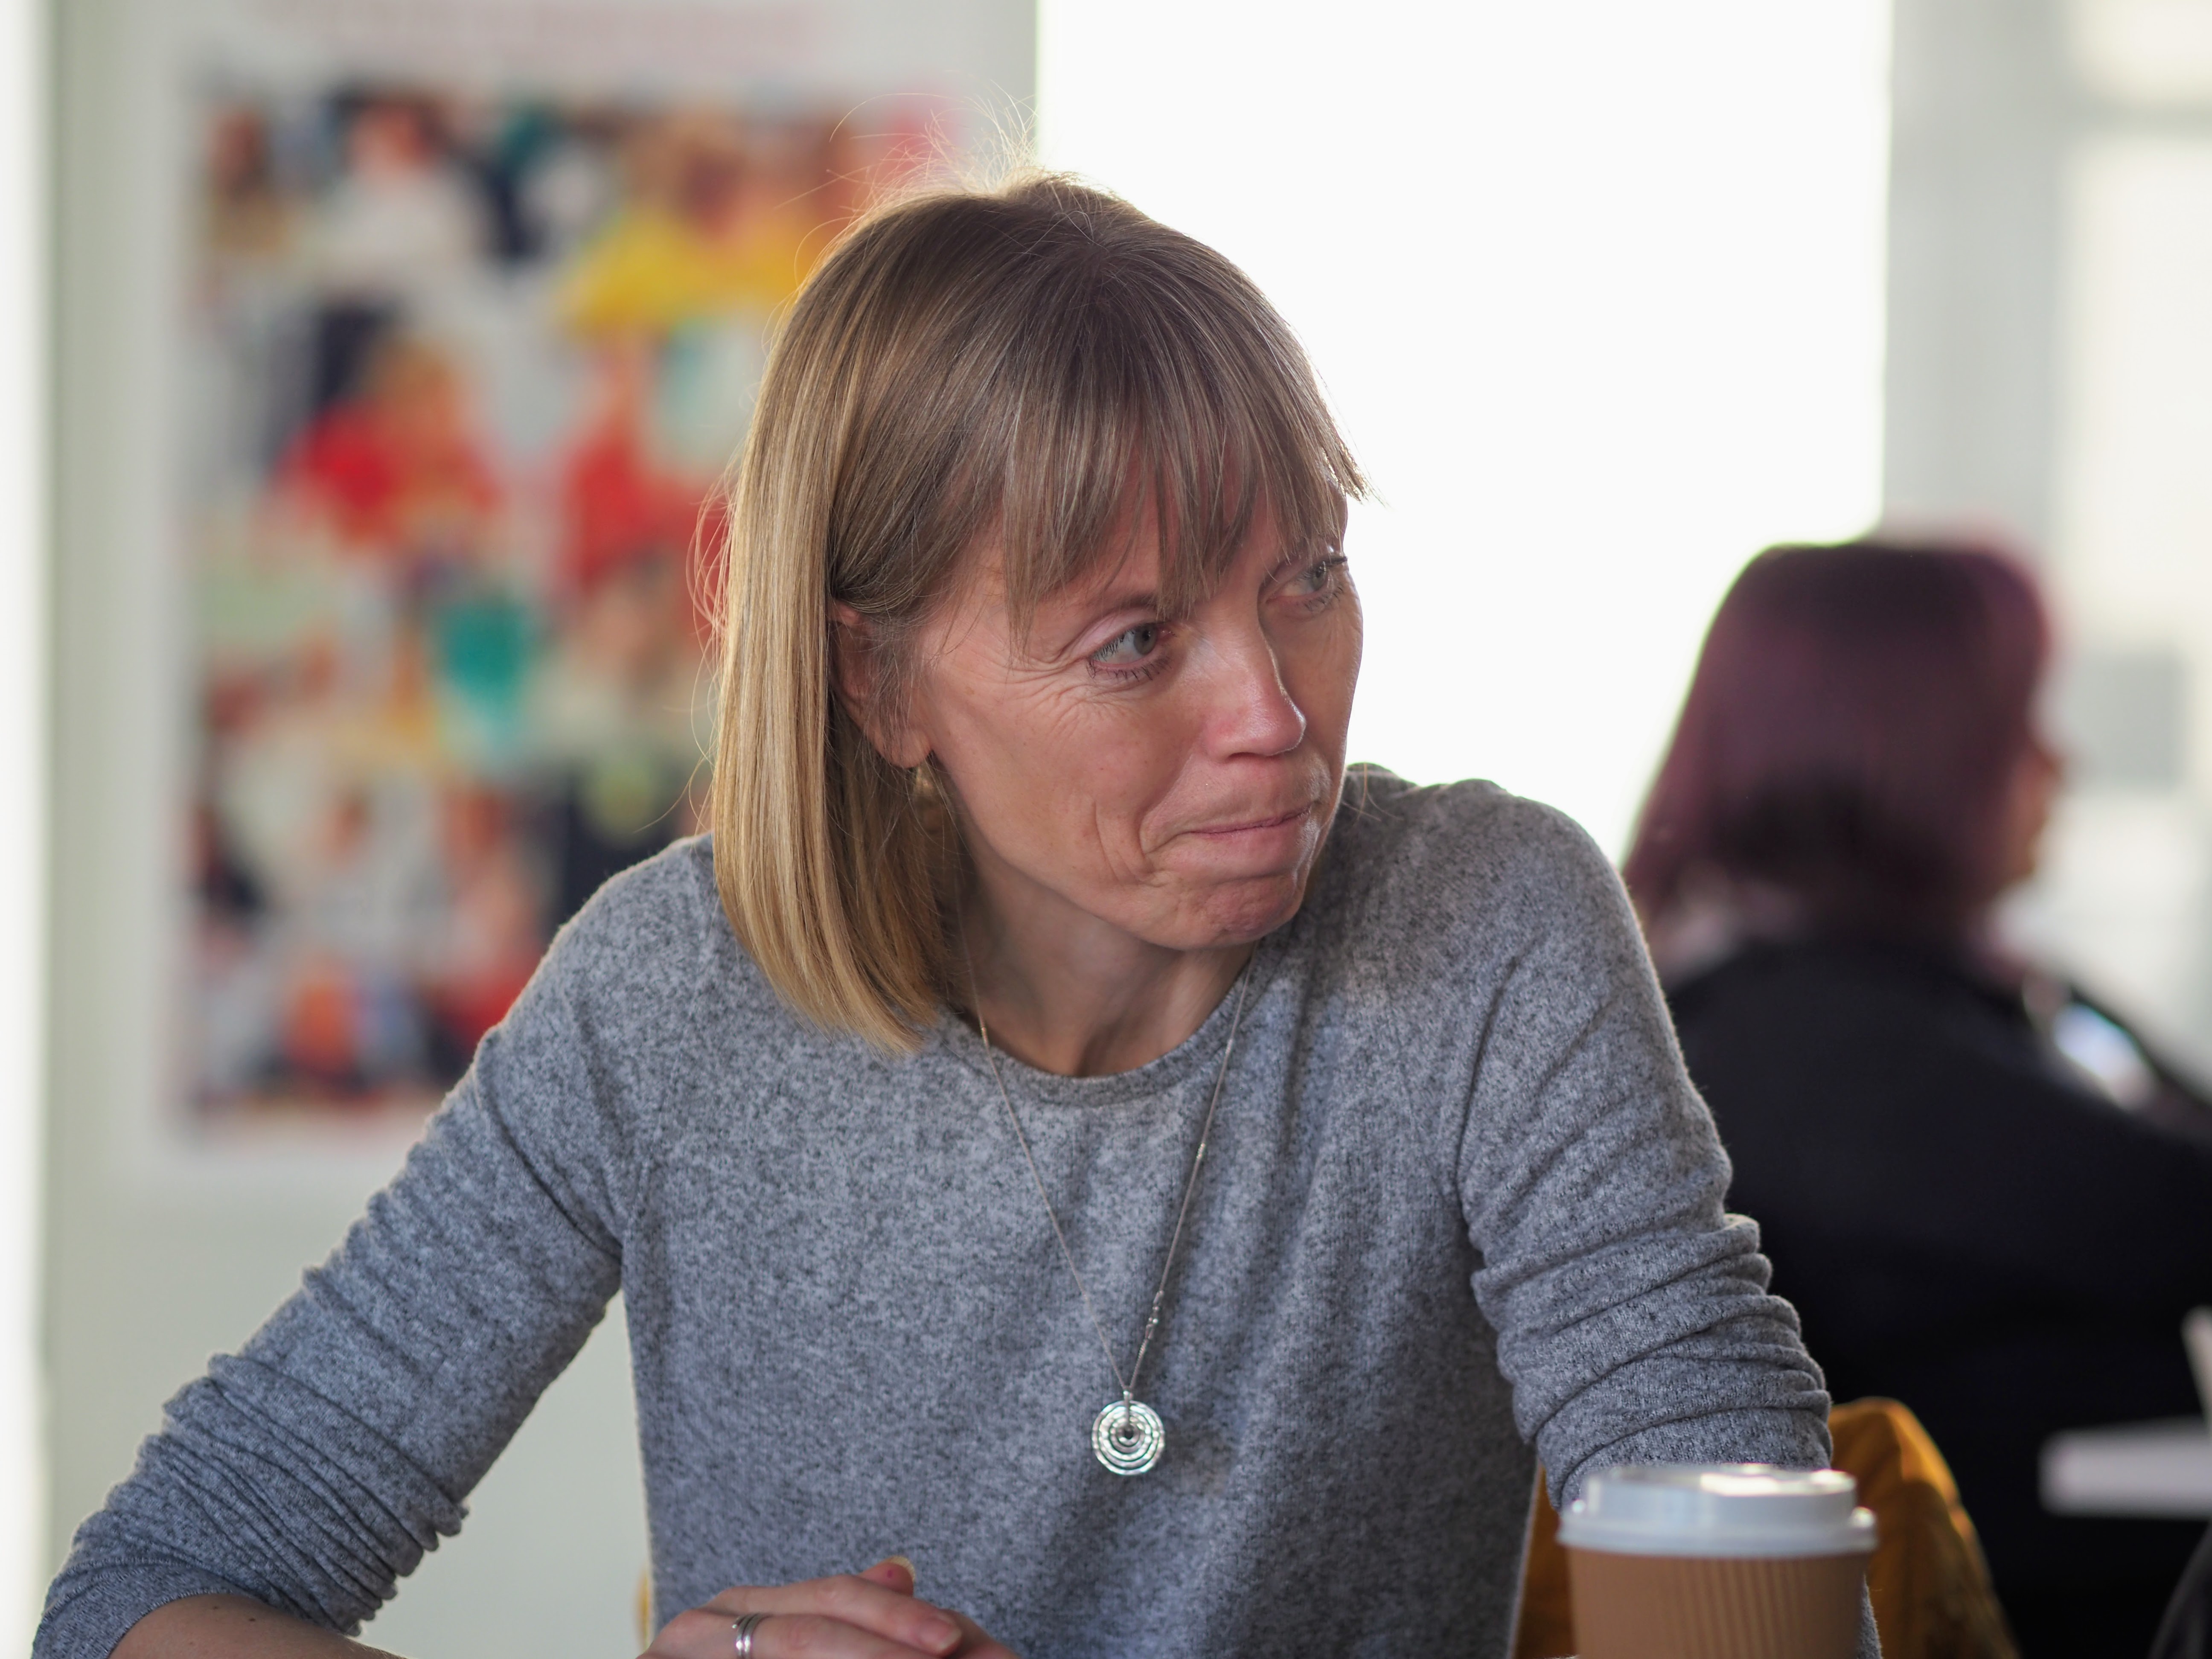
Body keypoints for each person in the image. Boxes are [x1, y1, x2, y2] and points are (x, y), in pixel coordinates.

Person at [41, 176, 1866, 1659]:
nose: (1277, 709)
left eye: (1308, 576)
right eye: (1136, 639)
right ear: (880, 686)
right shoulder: (672, 1001)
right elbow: (146, 1602)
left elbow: (1738, 1545)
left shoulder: (1488, 931)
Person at [1623, 538, 2212, 1657]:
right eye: (2021, 723)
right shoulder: (1801, 1038)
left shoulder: (1967, 985)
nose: (2058, 765)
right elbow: (2174, 1211)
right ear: (1912, 751)